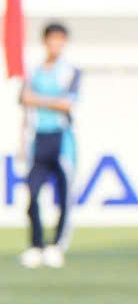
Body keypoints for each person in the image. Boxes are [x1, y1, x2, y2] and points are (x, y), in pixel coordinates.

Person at [18, 20, 77, 267]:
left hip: (61, 139)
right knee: (32, 193)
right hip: (37, 138)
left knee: (63, 195)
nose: (56, 44)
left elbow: (67, 104)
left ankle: (56, 245)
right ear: (45, 41)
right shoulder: (34, 71)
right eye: (52, 39)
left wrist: (37, 99)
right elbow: (23, 100)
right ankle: (36, 244)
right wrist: (21, 140)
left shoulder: (70, 71)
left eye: (60, 39)